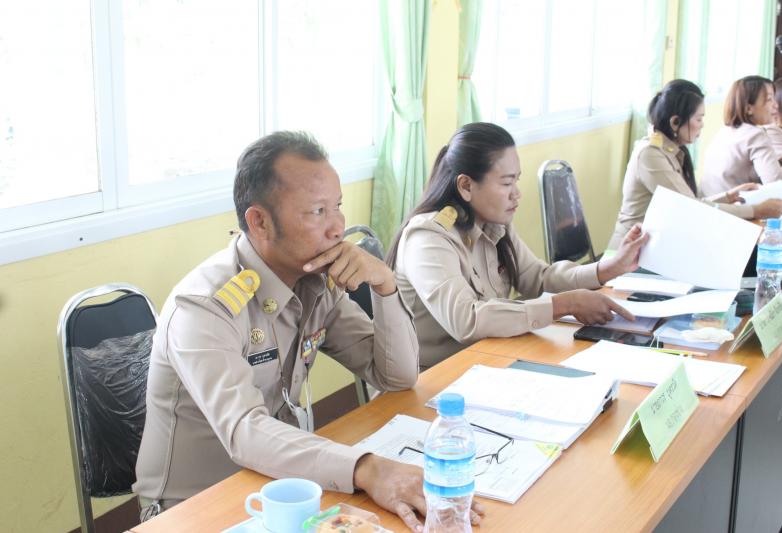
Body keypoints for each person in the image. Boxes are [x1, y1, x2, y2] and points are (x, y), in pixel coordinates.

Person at [133, 131, 483, 531]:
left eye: (337, 206)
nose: (337, 228)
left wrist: (385, 285)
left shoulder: (315, 282)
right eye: (317, 211)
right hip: (196, 508)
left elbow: (396, 376)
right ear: (260, 222)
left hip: (280, 484)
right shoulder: (204, 307)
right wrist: (369, 469)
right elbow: (245, 431)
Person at [386, 122, 648, 368]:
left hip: (484, 360)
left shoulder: (492, 222)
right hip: (430, 378)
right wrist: (565, 305)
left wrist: (609, 268)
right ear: (466, 185)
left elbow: (538, 277)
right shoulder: (428, 238)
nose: (516, 194)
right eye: (506, 183)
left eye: (516, 181)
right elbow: (467, 320)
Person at [608, 79, 782, 250]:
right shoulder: (651, 154)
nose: (702, 125)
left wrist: (728, 196)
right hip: (628, 254)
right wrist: (756, 210)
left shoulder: (671, 151)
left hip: (653, 247)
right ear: (675, 122)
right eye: (699, 119)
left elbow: (689, 203)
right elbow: (691, 209)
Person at [702, 76, 782, 196]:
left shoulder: (724, 131)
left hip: (709, 203)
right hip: (733, 206)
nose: (776, 105)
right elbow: (777, 184)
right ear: (748, 108)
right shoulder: (755, 135)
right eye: (769, 99)